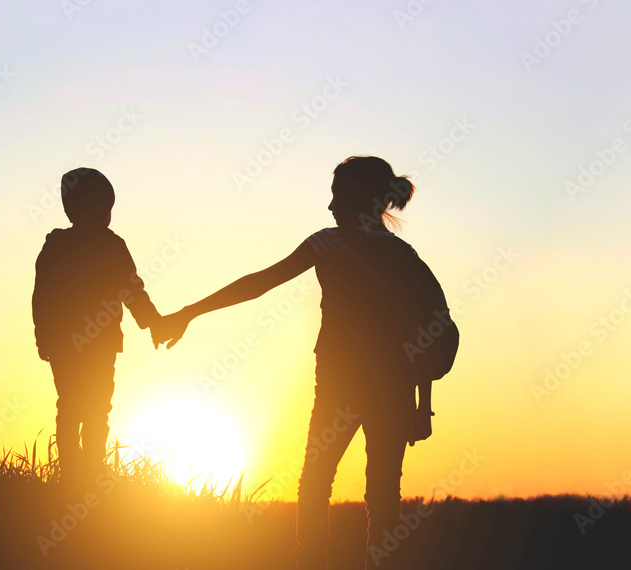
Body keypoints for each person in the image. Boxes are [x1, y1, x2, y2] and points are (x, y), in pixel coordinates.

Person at [159, 156, 452, 569]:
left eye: (337, 195)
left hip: (340, 384)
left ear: (357, 199)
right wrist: (423, 405)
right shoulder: (401, 252)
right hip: (395, 389)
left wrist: (189, 311)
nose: (330, 206)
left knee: (315, 484)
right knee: (383, 494)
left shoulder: (328, 243)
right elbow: (420, 330)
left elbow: (259, 283)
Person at [32, 167, 165, 482]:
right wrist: (153, 322)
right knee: (90, 407)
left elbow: (41, 298)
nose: (107, 215)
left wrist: (44, 338)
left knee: (77, 406)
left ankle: (81, 473)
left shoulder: (60, 247)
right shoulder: (108, 246)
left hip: (73, 344)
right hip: (93, 343)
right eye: (104, 208)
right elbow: (133, 291)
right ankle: (83, 473)